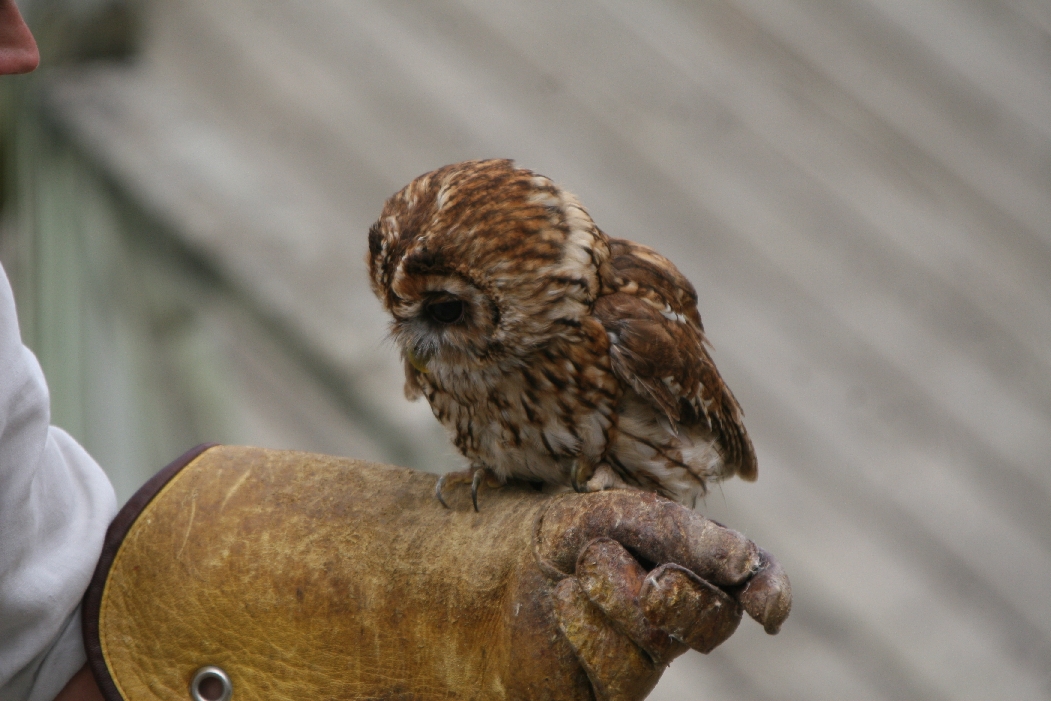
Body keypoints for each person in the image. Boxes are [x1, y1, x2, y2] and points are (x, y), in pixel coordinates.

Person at [0, 4, 789, 699]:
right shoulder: (451, 346)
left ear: (518, 297)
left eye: (442, 312)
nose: (414, 349)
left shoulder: (629, 320)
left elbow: (38, 625)